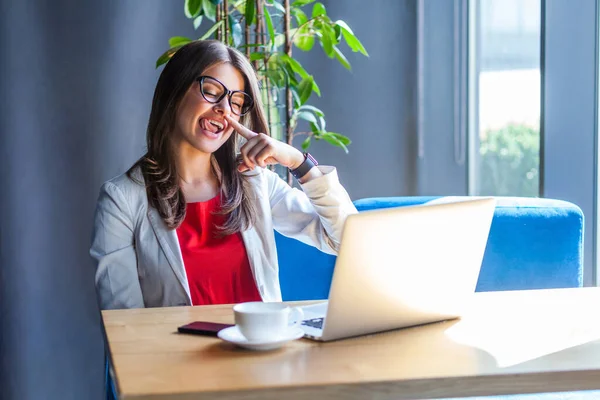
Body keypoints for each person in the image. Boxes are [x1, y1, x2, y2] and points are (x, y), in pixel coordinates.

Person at [90, 40, 357, 310]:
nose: (224, 109)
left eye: (237, 102)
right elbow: (125, 324)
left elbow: (347, 242)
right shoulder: (121, 199)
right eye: (211, 91)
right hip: (176, 352)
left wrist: (299, 162)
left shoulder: (255, 183)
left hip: (265, 350)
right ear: (174, 91)